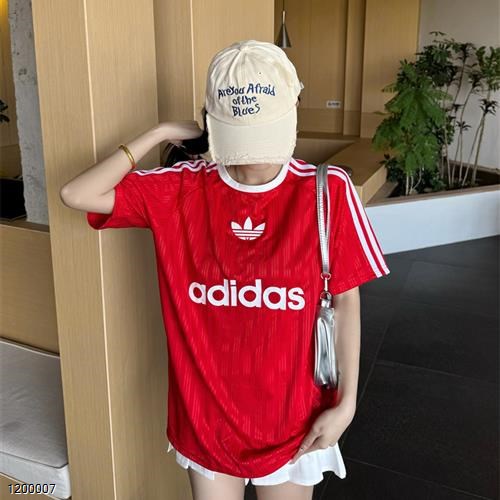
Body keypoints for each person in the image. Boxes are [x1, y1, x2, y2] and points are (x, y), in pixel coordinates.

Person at [60, 39, 390, 500]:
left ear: (292, 114)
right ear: (212, 124)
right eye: (240, 136)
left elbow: (345, 300)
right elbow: (77, 195)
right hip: (206, 419)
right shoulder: (180, 189)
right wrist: (159, 133)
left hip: (296, 419)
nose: (255, 157)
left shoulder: (326, 192)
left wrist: (347, 403)